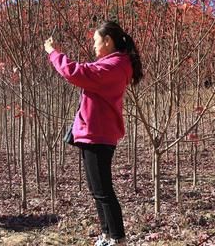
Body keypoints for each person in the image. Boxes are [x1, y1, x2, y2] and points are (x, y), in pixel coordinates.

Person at [44, 21, 143, 246]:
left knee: (103, 190)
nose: (93, 47)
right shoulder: (113, 65)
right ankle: (108, 235)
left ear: (108, 41)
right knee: (97, 190)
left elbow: (75, 72)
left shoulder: (113, 66)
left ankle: (118, 239)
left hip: (98, 133)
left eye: (96, 41)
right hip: (94, 133)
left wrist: (53, 53)